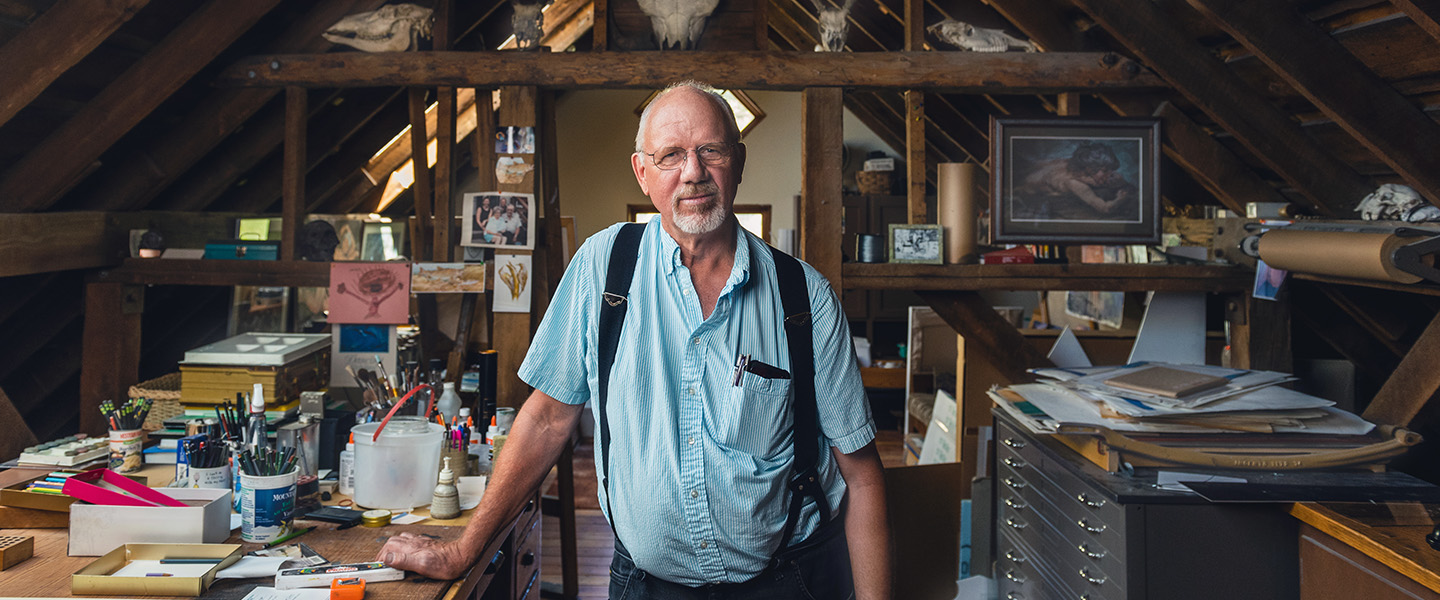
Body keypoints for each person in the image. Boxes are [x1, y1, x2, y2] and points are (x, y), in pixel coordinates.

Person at [377, 81, 893, 599]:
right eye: (670, 155)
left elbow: (863, 476)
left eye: (710, 150)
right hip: (645, 586)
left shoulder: (804, 296)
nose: (693, 172)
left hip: (788, 580)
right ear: (642, 173)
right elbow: (546, 420)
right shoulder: (602, 270)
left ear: (737, 161)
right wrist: (464, 549)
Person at [1015, 141, 1137, 219]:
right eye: (1105, 171)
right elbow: (1105, 208)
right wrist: (1120, 199)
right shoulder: (1075, 184)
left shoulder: (1070, 163)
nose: (1108, 175)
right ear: (1091, 168)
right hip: (1028, 194)